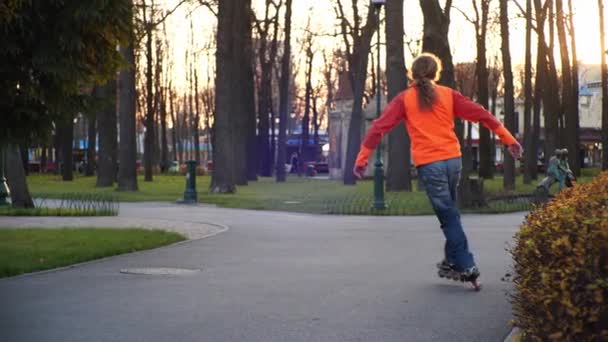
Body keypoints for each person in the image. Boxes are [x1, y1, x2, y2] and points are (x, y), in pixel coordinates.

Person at [353, 53, 523, 284]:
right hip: (453, 161)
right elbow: (483, 114)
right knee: (451, 212)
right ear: (436, 73)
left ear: (412, 74)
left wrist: (362, 160)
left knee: (449, 217)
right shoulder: (448, 95)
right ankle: (450, 262)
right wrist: (508, 139)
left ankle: (466, 264)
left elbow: (377, 129)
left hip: (430, 164)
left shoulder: (405, 99)